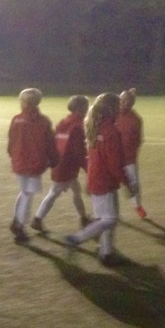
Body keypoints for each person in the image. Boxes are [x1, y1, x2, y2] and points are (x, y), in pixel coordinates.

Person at [64, 92, 135, 266]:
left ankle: (106, 253)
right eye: (118, 106)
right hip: (105, 181)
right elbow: (115, 163)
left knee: (106, 218)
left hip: (96, 177)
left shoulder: (96, 126)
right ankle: (77, 238)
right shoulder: (110, 131)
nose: (120, 109)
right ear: (112, 108)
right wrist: (128, 183)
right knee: (109, 220)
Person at [31, 95, 90, 233]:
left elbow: (55, 142)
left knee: (76, 191)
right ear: (80, 108)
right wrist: (89, 168)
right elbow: (79, 152)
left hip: (60, 162)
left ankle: (83, 218)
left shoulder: (64, 122)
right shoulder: (78, 126)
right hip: (67, 166)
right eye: (86, 106)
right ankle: (37, 219)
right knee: (54, 193)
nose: (87, 109)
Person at [7, 87, 58, 242]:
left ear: (25, 102)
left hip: (20, 162)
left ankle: (16, 222)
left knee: (24, 192)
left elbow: (11, 142)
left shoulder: (17, 119)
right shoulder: (44, 121)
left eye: (21, 100)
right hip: (36, 164)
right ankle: (19, 226)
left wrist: (14, 156)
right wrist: (53, 159)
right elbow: (50, 143)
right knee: (27, 194)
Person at [116, 87, 147, 219]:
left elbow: (138, 139)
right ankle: (113, 211)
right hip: (112, 156)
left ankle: (138, 206)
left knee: (133, 183)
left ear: (132, 103)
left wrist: (132, 152)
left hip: (128, 158)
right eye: (121, 99)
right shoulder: (112, 115)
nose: (123, 103)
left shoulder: (136, 119)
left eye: (126, 100)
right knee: (110, 185)